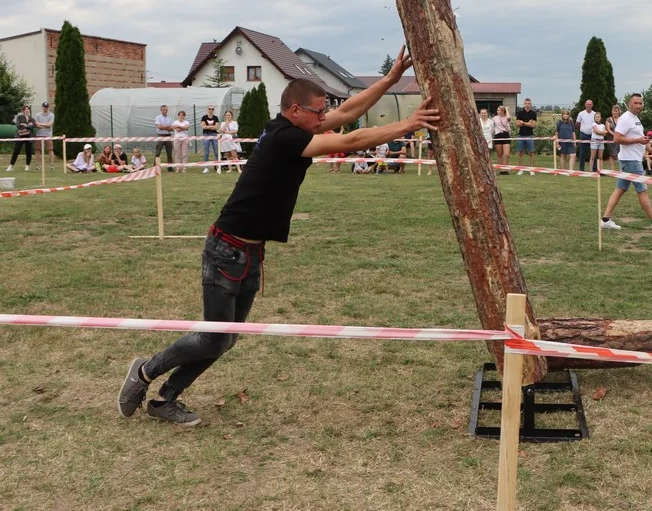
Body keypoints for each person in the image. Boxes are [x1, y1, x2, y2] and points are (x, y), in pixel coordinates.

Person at [118, 46, 439, 426]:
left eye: (324, 111)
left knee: (226, 339)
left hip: (250, 253)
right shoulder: (286, 138)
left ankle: (165, 400)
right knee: (212, 336)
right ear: (295, 111)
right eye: (318, 112)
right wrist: (409, 123)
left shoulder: (294, 127)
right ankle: (144, 372)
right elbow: (353, 140)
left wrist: (388, 80)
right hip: (227, 250)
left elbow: (348, 113)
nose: (325, 118)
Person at [599, 93, 652, 231]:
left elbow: (641, 140)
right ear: (629, 104)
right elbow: (617, 138)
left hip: (630, 159)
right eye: (636, 103)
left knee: (620, 189)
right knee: (642, 190)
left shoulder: (636, 119)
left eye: (640, 103)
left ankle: (606, 220)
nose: (638, 106)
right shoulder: (625, 119)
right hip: (631, 161)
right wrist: (638, 140)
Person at [7, 105, 36, 171]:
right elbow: (18, 126)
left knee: (28, 151)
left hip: (29, 136)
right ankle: (11, 166)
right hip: (20, 136)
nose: (27, 110)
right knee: (16, 151)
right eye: (25, 109)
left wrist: (25, 125)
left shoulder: (32, 119)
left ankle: (27, 166)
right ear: (23, 111)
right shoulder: (19, 117)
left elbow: (33, 126)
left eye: (28, 109)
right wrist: (28, 125)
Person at [515, 98, 537, 174]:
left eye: (529, 103)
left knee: (531, 153)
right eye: (526, 103)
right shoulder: (520, 113)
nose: (527, 104)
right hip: (521, 135)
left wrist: (523, 123)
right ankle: (521, 169)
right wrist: (528, 123)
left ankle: (531, 169)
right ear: (524, 104)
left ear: (530, 104)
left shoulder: (533, 113)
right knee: (521, 153)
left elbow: (533, 125)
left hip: (530, 135)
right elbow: (517, 124)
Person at [575, 99, 596, 172]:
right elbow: (577, 124)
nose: (589, 105)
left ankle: (594, 169)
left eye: (590, 104)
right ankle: (581, 169)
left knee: (593, 153)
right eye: (587, 104)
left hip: (593, 135)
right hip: (583, 135)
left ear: (592, 105)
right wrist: (582, 128)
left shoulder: (595, 114)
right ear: (585, 105)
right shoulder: (581, 114)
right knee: (582, 153)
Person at [34, 102, 56, 169]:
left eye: (46, 107)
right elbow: (36, 124)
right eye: (44, 107)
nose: (45, 108)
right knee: (38, 150)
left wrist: (41, 125)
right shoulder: (37, 115)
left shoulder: (51, 115)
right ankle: (37, 165)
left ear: (48, 107)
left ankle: (52, 165)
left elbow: (50, 125)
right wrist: (45, 125)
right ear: (42, 107)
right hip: (39, 135)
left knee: (50, 150)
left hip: (48, 135)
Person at [201, 105, 221, 173]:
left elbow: (216, 127)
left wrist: (208, 127)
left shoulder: (216, 118)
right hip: (206, 135)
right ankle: (206, 168)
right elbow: (203, 127)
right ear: (207, 110)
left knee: (216, 151)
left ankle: (218, 167)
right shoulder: (204, 117)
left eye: (212, 109)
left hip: (214, 135)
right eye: (210, 109)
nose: (211, 110)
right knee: (206, 152)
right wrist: (212, 127)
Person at [492, 106, 512, 174]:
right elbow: (492, 126)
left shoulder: (506, 116)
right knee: (499, 154)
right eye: (497, 110)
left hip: (506, 134)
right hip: (498, 135)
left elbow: (509, 118)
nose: (498, 111)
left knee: (506, 154)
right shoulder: (495, 118)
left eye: (499, 110)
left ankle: (505, 169)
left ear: (503, 111)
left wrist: (507, 109)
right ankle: (500, 170)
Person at [154, 105, 174, 170]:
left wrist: (164, 127)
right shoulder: (158, 118)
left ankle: (170, 167)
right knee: (158, 152)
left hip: (168, 136)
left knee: (169, 152)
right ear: (161, 110)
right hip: (160, 136)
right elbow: (159, 127)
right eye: (163, 110)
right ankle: (155, 167)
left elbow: (172, 128)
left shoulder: (170, 118)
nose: (165, 111)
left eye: (166, 110)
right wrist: (168, 127)